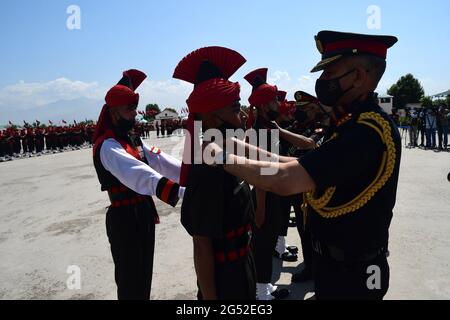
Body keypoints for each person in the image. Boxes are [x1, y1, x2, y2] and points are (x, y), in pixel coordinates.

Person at [203, 30, 401, 300]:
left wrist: (220, 156)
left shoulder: (366, 131)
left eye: (330, 73)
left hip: (357, 274)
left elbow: (285, 179)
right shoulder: (349, 123)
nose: (322, 81)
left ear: (358, 76)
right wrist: (236, 146)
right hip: (336, 264)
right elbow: (302, 163)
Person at [92, 69, 185, 300]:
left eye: (134, 108)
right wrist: (183, 192)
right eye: (129, 109)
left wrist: (193, 175)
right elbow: (141, 174)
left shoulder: (132, 139)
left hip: (142, 212)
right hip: (124, 218)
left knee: (144, 275)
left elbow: (159, 160)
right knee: (130, 280)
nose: (134, 114)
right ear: (113, 113)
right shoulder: (108, 146)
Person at [174, 46, 256, 300]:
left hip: (244, 264)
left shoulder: (228, 155)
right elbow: (202, 244)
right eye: (234, 109)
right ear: (211, 117)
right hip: (226, 278)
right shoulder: (207, 168)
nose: (241, 116)